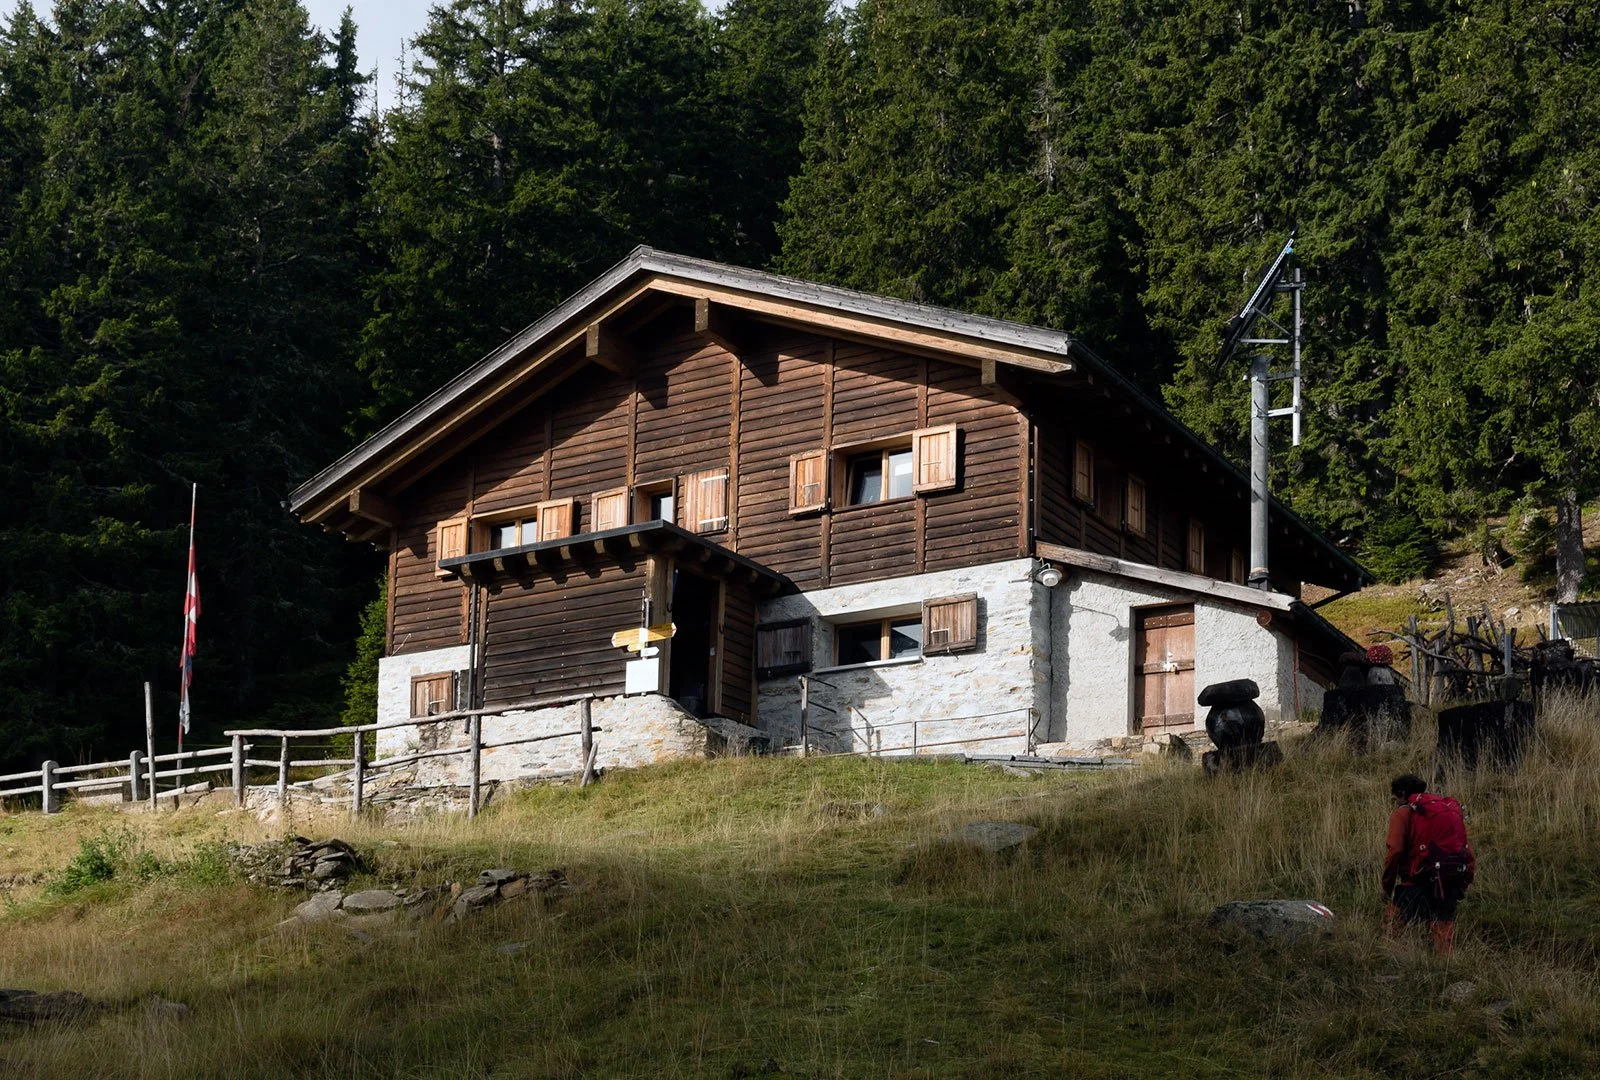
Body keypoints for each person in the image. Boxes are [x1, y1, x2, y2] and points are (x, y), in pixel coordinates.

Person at [1382, 773, 1475, 955]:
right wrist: (1462, 885)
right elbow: (1467, 852)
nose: (1394, 803)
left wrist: (1387, 886)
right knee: (1443, 943)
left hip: (1416, 883)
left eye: (1395, 799)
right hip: (1448, 883)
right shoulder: (1445, 811)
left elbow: (1395, 851)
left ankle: (1387, 969)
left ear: (1401, 794)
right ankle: (1448, 976)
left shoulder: (1403, 813)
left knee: (1391, 932)